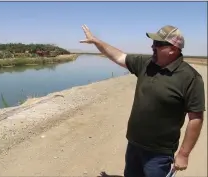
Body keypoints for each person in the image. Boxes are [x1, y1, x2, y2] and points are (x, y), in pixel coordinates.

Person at [80, 24, 205, 177]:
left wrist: (184, 154)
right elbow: (119, 56)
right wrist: (96, 42)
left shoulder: (190, 78)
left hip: (159, 154)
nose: (152, 46)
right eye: (154, 42)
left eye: (158, 44)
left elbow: (196, 118)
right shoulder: (146, 64)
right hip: (134, 144)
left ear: (173, 49)